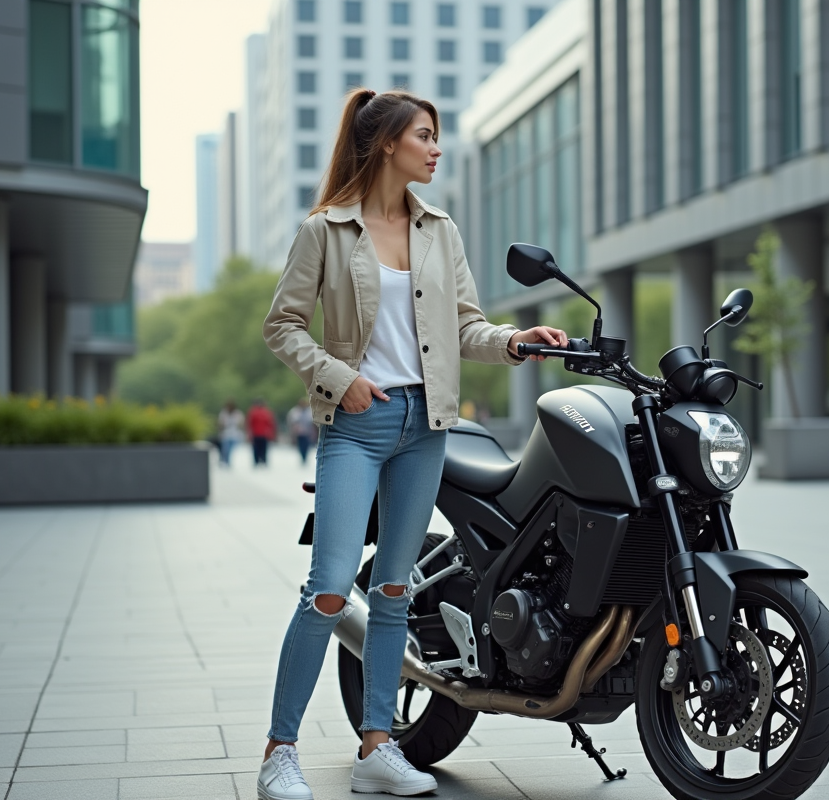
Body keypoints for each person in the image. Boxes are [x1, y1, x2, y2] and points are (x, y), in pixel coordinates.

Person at [258, 88, 566, 799]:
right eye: (425, 136)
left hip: (427, 429)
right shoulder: (326, 232)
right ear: (388, 144)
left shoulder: (440, 230)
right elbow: (282, 326)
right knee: (330, 590)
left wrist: (517, 341)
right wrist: (341, 380)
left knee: (394, 590)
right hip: (356, 429)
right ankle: (280, 751)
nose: (435, 148)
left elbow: (465, 328)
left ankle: (376, 747)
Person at [247, 399, 277, 467]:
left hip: (260, 434)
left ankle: (258, 460)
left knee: (258, 448)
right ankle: (262, 460)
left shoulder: (254, 412)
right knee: (262, 448)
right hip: (261, 434)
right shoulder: (266, 412)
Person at [287, 397, 316, 465]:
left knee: (306, 446)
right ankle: (302, 457)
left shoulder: (309, 411)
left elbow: (312, 422)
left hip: (308, 433)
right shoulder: (295, 411)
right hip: (299, 433)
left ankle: (305, 457)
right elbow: (292, 422)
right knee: (300, 446)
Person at [217, 400, 244, 467]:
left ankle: (227, 461)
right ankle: (225, 461)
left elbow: (241, 424)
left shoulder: (238, 414)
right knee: (225, 449)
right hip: (226, 434)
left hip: (235, 435)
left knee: (230, 450)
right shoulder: (223, 413)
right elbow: (220, 424)